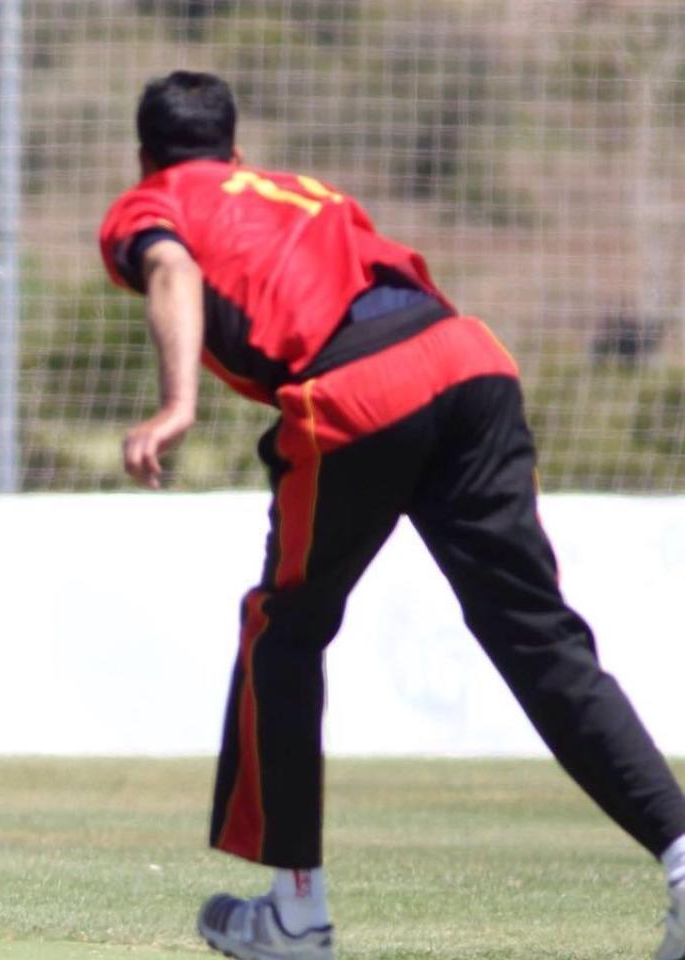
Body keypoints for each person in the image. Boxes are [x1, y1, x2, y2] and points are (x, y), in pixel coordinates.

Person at [97, 71, 685, 960]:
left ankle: (295, 914)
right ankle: (684, 860)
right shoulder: (305, 190)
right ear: (237, 148)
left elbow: (173, 266)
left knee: (282, 632)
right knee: (538, 637)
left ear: (146, 156)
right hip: (469, 358)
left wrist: (176, 403)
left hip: (360, 389)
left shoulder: (151, 203)